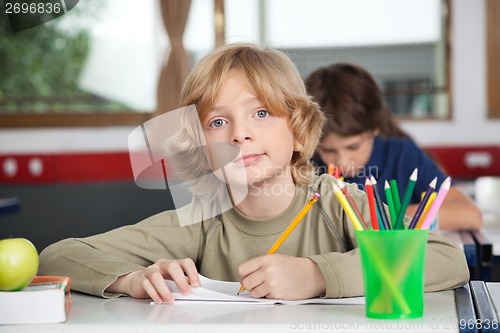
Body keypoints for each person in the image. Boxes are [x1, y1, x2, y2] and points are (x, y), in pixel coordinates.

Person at [39, 44, 468, 304]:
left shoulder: (338, 203)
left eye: (261, 113)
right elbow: (57, 255)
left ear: (299, 133)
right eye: (218, 122)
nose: (240, 134)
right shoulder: (204, 219)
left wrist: (319, 276)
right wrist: (133, 279)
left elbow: (447, 259)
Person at [305, 62, 482, 230]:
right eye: (328, 150)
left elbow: (469, 214)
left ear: (374, 127)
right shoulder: (305, 163)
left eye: (353, 147)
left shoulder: (402, 155)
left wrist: (380, 219)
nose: (342, 162)